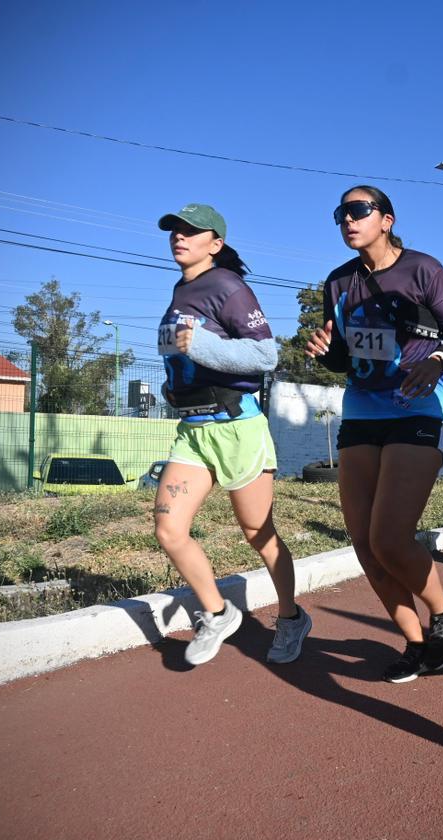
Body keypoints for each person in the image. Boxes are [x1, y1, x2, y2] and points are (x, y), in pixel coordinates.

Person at [304, 185, 443, 683]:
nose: (348, 220)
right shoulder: (338, 282)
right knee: (364, 543)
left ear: (387, 219)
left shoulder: (423, 269)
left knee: (389, 538)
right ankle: (415, 643)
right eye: (341, 213)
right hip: (361, 411)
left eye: (358, 210)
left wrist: (438, 361)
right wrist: (325, 351)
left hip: (415, 407)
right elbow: (345, 357)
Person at [153, 203, 309, 666]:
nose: (179, 237)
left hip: (237, 427)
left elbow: (265, 356)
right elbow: (184, 355)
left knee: (259, 533)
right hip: (193, 431)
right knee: (169, 529)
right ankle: (218, 613)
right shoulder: (180, 290)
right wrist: (174, 384)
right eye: (175, 230)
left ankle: (291, 617)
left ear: (215, 243)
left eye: (191, 231)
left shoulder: (228, 286)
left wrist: (199, 345)